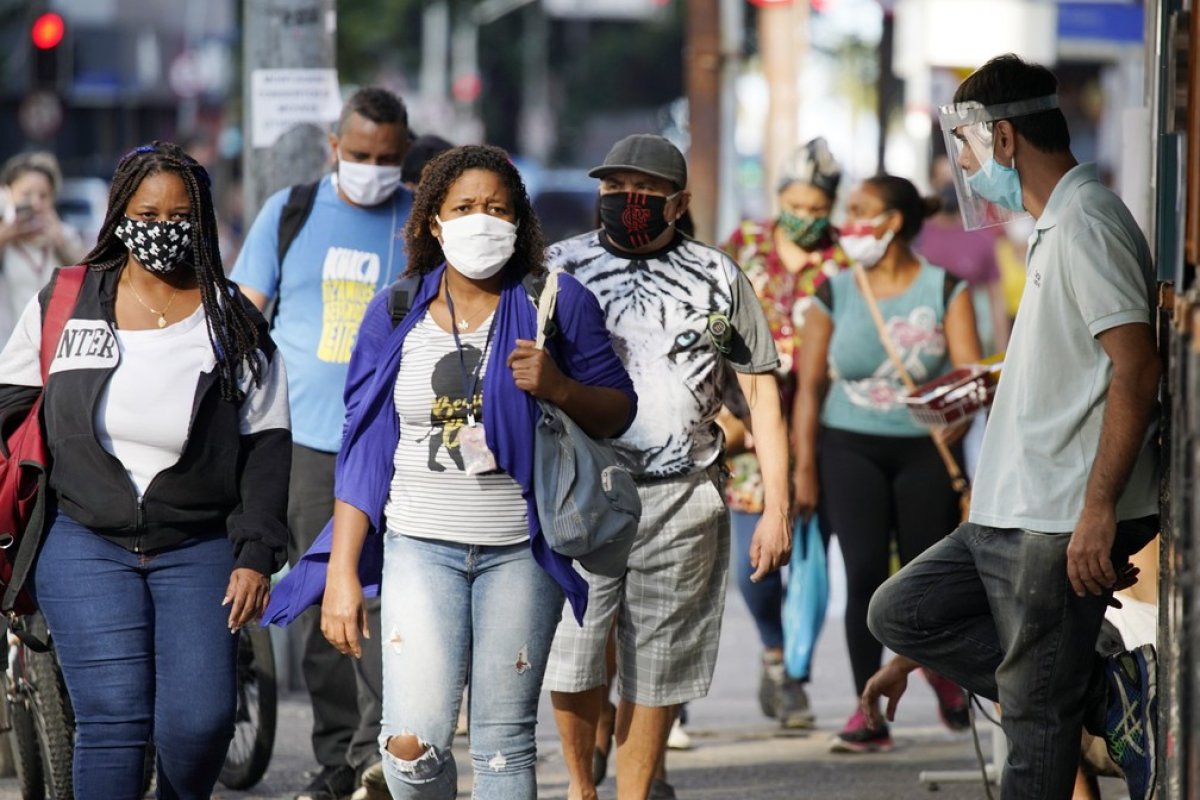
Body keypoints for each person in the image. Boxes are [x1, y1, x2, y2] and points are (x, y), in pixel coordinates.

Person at [862, 54, 1161, 800]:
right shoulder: (1057, 222)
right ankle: (1106, 694)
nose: (962, 166)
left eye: (964, 147)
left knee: (1034, 718)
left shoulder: (1087, 220)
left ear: (1001, 140)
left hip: (1055, 512)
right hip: (1013, 508)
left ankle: (1075, 691)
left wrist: (1098, 511)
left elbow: (1137, 367)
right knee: (901, 612)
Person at [312, 144, 636, 799]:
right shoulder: (395, 311)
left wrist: (560, 387)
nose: (481, 220)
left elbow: (619, 410)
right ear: (433, 220)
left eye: (497, 208)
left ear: (520, 221)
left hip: (521, 550)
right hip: (418, 547)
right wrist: (341, 574)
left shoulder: (557, 301)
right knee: (408, 745)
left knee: (503, 746)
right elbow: (364, 450)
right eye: (464, 207)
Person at [0, 141, 290, 798]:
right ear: (119, 215)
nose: (163, 228)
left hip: (200, 546)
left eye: (179, 215)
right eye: (147, 213)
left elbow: (268, 447)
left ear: (203, 218)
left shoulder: (232, 320)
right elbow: (9, 404)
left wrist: (255, 553)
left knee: (201, 723)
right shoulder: (66, 302)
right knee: (112, 723)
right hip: (82, 541)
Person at [543, 133, 791, 800]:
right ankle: (579, 786)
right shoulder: (557, 270)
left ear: (678, 203)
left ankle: (632, 791)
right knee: (573, 654)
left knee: (657, 667)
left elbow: (763, 393)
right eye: (616, 188)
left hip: (684, 496)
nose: (630, 201)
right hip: (580, 495)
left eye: (647, 192)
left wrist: (777, 508)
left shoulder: (719, 277)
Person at [232, 86, 412, 800]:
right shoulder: (290, 212)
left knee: (393, 600)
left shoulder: (420, 221)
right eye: (361, 154)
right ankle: (340, 757)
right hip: (306, 443)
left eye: (388, 158)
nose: (373, 168)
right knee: (324, 605)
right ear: (336, 147)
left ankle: (383, 750)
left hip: (397, 443)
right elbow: (246, 316)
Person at [792, 174, 982, 753]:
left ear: (893, 222)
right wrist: (803, 466)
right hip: (847, 446)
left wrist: (962, 415)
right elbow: (809, 387)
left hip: (925, 450)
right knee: (866, 574)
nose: (847, 223)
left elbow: (970, 375)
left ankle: (936, 670)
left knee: (926, 580)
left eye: (860, 211)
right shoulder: (835, 291)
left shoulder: (945, 288)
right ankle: (866, 709)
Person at [720, 136, 848, 730]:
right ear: (779, 198)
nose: (806, 216)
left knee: (810, 564)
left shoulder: (844, 259)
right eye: (796, 202)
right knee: (758, 561)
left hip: (821, 434)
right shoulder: (744, 244)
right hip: (749, 428)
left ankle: (794, 676)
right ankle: (772, 652)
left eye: (818, 207)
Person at [0, 151, 88, 344]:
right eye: (26, 194)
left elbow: (89, 275)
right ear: (7, 194)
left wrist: (59, 241)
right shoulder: (5, 241)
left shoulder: (64, 235)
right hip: (9, 348)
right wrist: (7, 232)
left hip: (57, 345)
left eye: (43, 195)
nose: (35, 203)